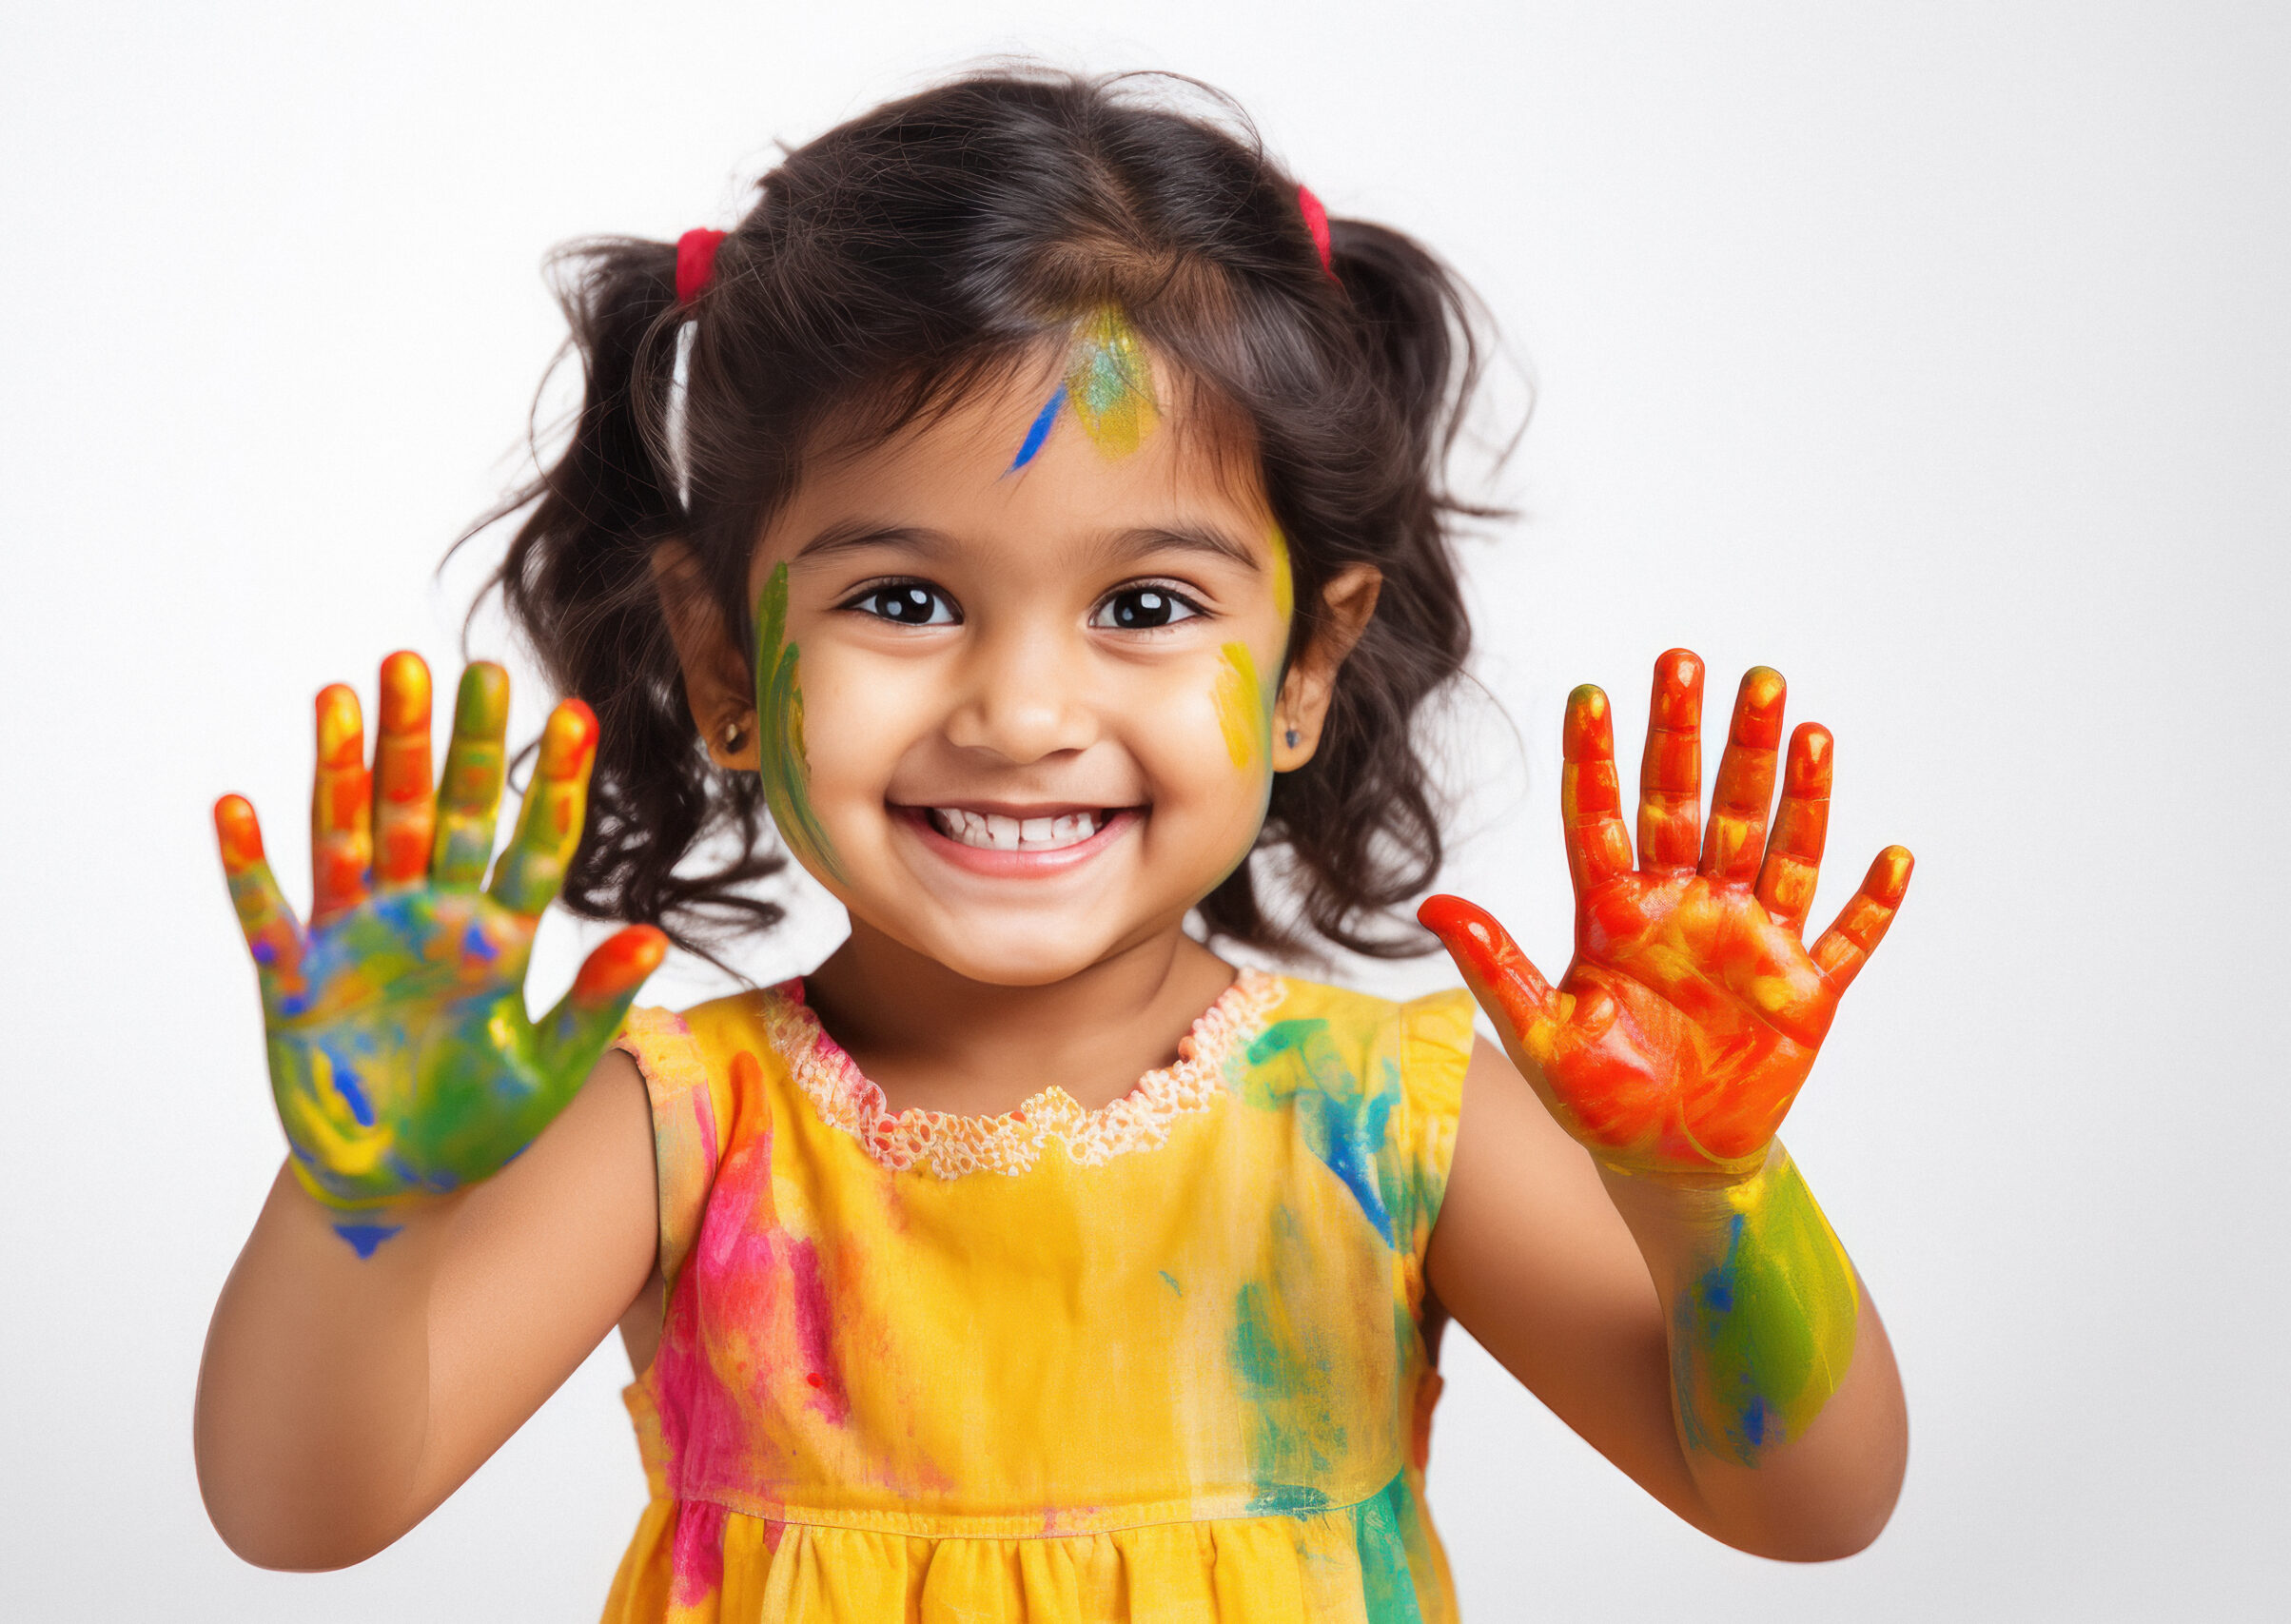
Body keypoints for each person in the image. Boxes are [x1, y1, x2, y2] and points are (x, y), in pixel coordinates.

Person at [194, 68, 1912, 1622]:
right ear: (726, 661)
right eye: (905, 598)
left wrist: (1711, 1202)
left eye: (1146, 604)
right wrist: (363, 1199)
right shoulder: (685, 1132)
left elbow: (1804, 1507)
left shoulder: (1389, 1121)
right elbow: (301, 1516)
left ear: (1305, 666)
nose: (1023, 709)